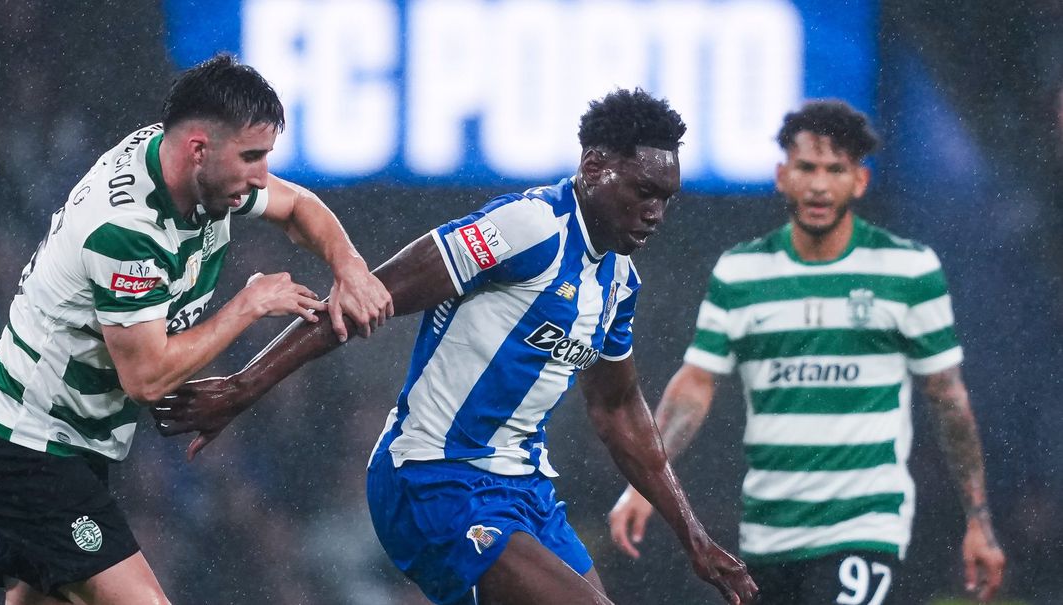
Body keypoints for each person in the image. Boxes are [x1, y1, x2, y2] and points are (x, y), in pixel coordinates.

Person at [151, 88, 758, 605]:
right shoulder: (528, 228)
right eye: (644, 191)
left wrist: (694, 538)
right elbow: (366, 296)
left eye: (666, 198)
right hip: (431, 478)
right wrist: (243, 387)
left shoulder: (620, 281)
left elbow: (618, 409)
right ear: (595, 165)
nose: (656, 213)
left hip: (525, 491)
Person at [0, 53, 392, 605]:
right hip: (26, 446)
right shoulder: (126, 229)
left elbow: (297, 207)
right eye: (252, 156)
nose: (262, 176)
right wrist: (247, 305)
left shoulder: (197, 170)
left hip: (72, 443)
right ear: (198, 149)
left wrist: (350, 267)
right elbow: (145, 378)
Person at [606, 100, 1007, 603]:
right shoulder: (741, 272)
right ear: (782, 176)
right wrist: (645, 484)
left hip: (864, 525)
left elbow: (948, 399)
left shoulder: (908, 270)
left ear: (859, 181)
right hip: (768, 532)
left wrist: (979, 519)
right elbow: (695, 386)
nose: (819, 185)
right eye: (807, 167)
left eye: (835, 170)